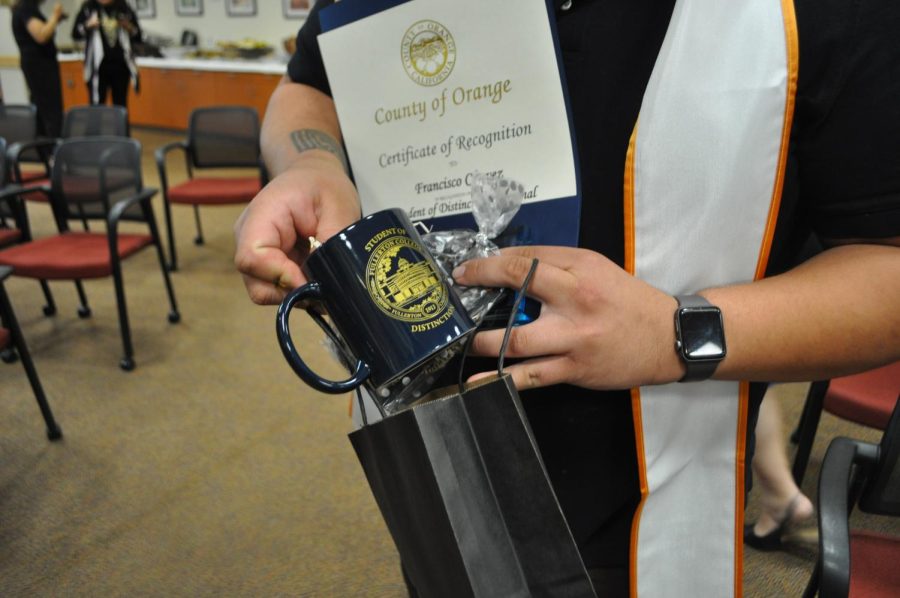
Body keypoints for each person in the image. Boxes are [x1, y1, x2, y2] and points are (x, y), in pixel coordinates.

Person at [234, 0, 900, 595]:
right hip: (430, 459)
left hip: (645, 506)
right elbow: (307, 87)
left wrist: (674, 332)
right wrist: (312, 164)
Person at [10, 0, 65, 138]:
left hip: (39, 65)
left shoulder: (27, 9)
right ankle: (52, 149)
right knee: (50, 110)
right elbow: (41, 35)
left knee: (43, 108)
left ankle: (46, 148)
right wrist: (55, 16)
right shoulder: (26, 8)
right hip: (40, 67)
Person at [71, 0, 141, 108]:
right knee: (96, 104)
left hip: (120, 66)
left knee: (121, 104)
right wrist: (88, 25)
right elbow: (75, 34)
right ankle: (96, 125)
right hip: (97, 67)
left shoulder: (124, 8)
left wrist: (128, 27)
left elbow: (138, 35)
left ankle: (119, 125)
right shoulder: (88, 9)